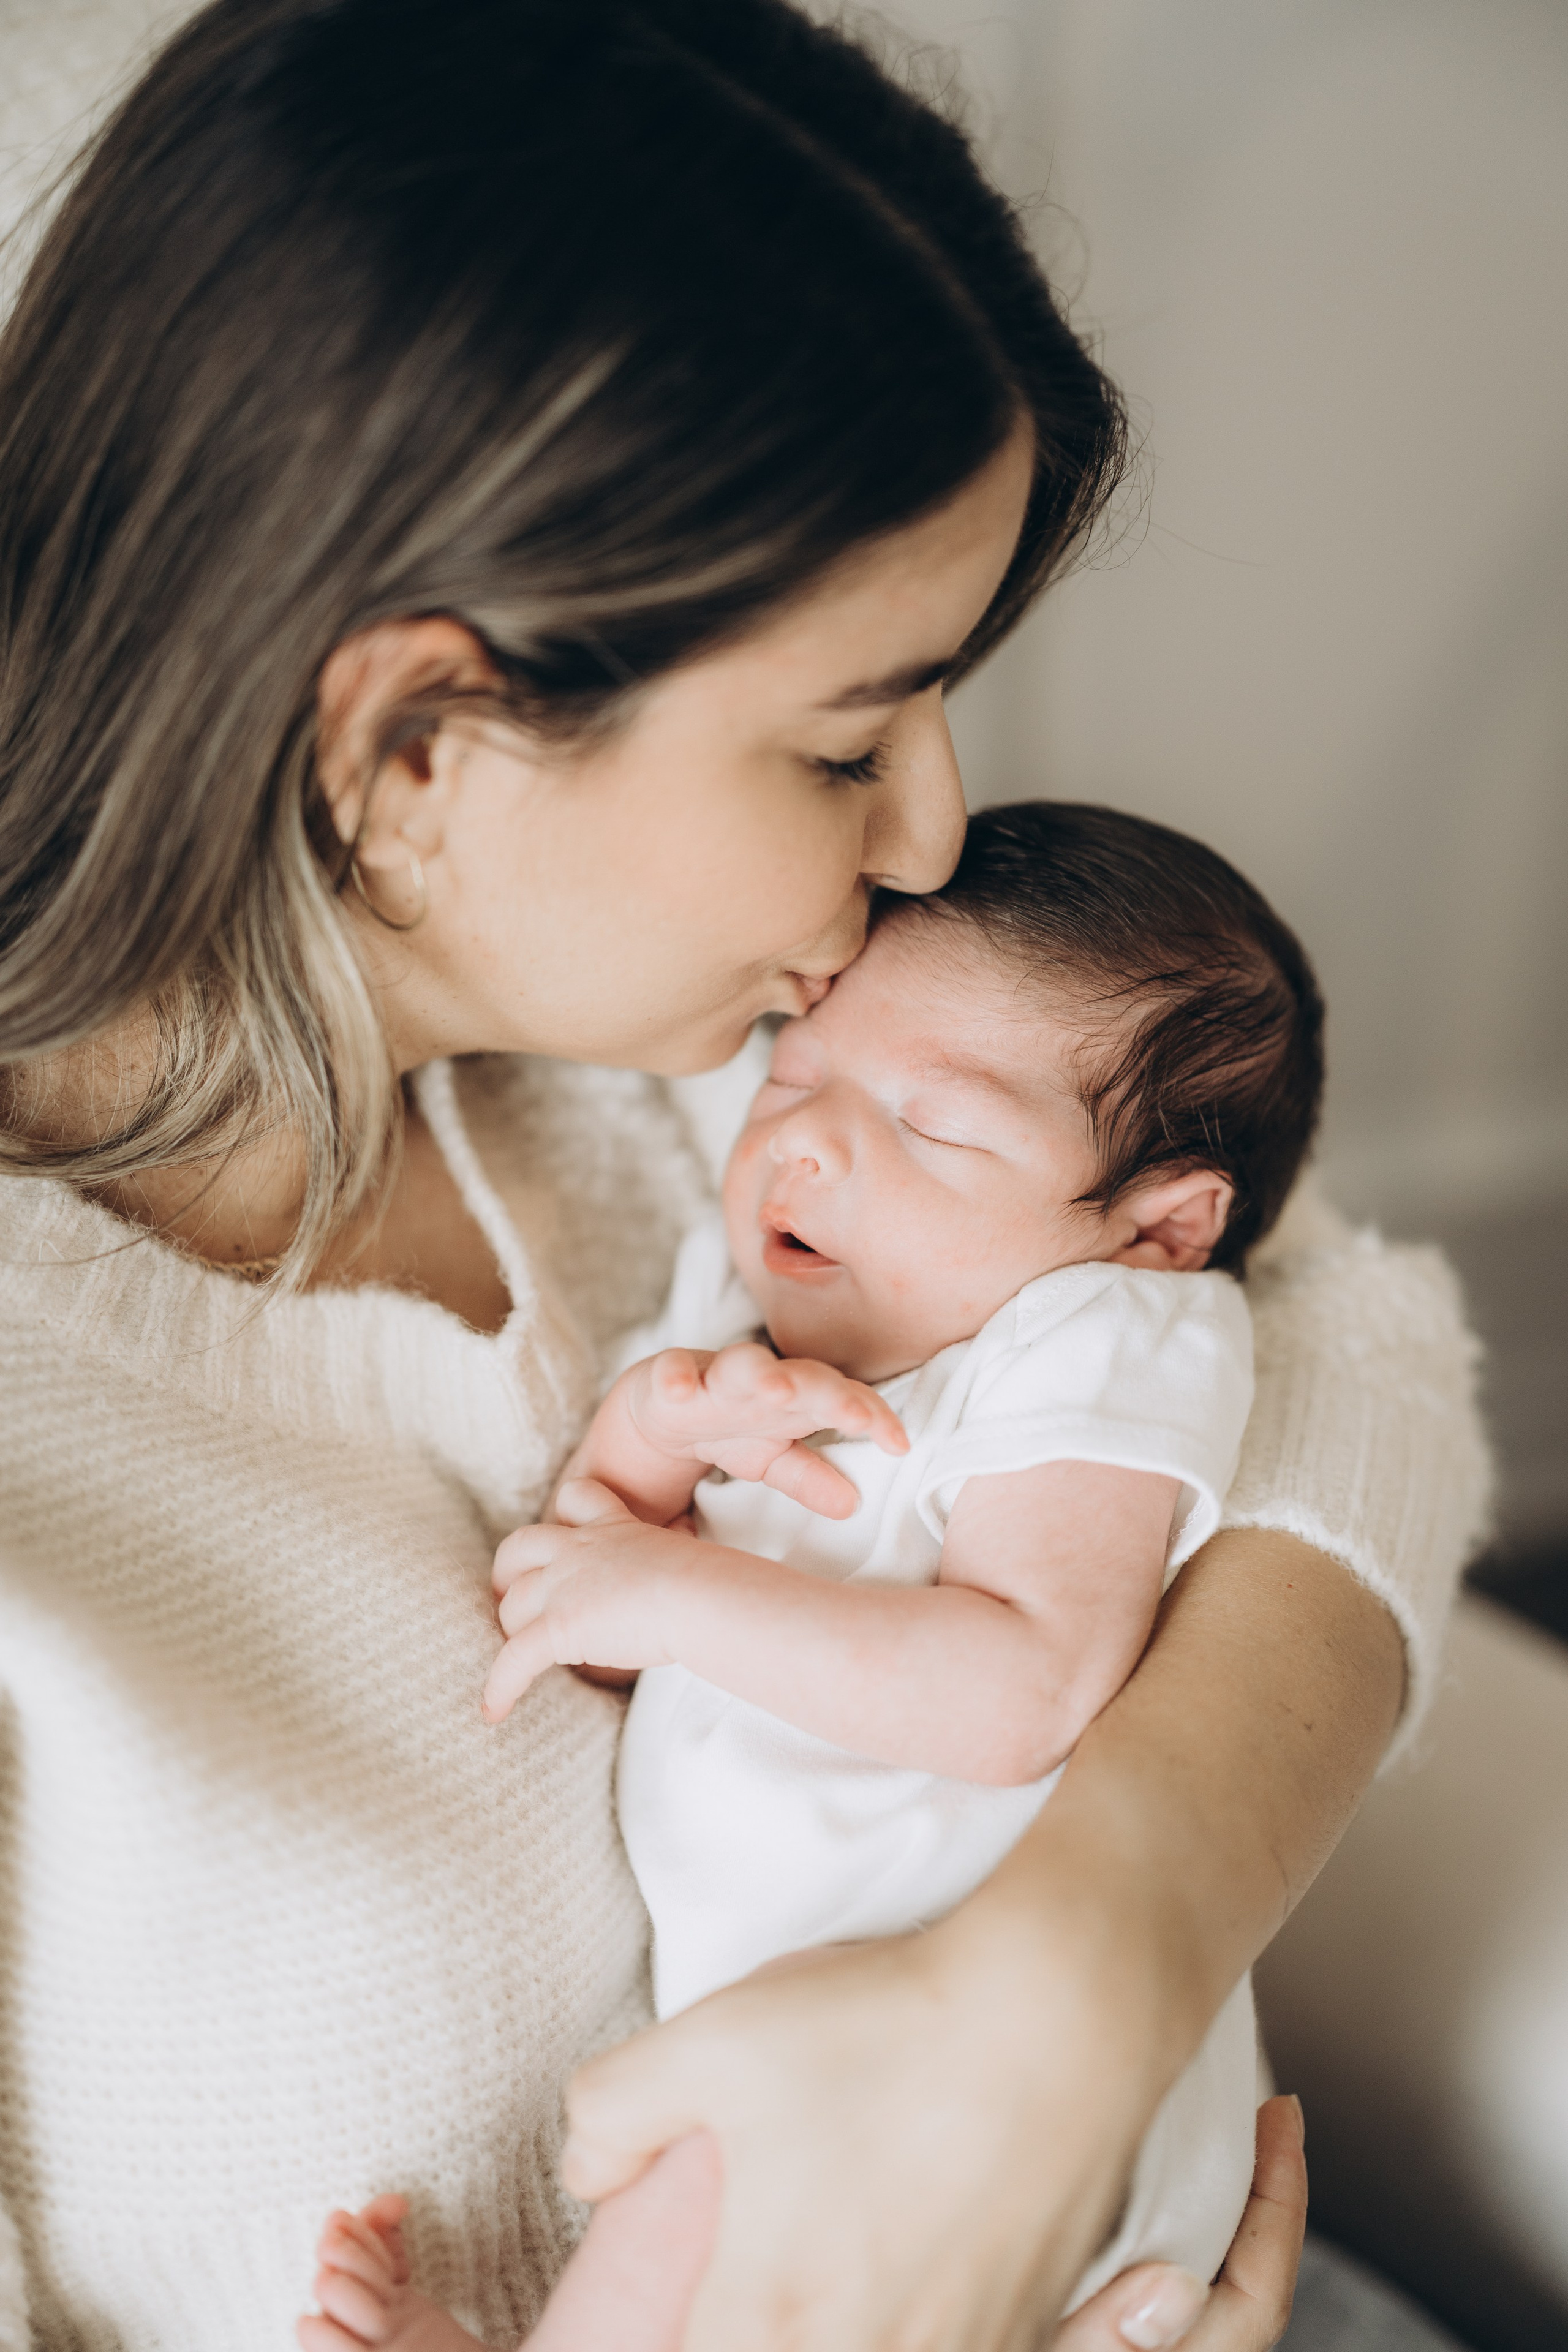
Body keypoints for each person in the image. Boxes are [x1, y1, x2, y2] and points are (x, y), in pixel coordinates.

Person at [0, 4, 1485, 2348]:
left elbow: (1344, 1343)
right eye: (843, 741)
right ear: (416, 741)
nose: (932, 841)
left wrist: (1076, 1986)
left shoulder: (708, 1071)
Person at [304, 798, 1322, 2350]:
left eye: (935, 1125)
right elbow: (601, 1628)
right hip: (825, 2039)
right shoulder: (749, 1318)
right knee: (708, 2187)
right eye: (792, 1075)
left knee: (722, 2182)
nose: (805, 1138)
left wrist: (667, 1591)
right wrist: (641, 1456)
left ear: (1159, 1228)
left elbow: (1021, 1689)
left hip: (998, 2083)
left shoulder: (1090, 1336)